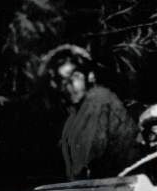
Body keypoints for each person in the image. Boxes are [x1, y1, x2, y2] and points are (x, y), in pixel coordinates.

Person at [42, 44, 138, 181]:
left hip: (117, 186)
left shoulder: (99, 99)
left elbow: (87, 157)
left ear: (91, 76)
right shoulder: (75, 114)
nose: (68, 86)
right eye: (62, 80)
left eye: (75, 76)